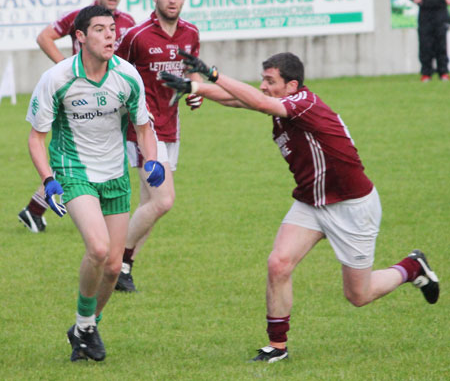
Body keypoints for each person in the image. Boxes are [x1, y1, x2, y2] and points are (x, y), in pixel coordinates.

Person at [161, 50, 440, 363]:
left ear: (292, 85)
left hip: (351, 205)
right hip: (312, 201)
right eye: (263, 79)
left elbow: (258, 101)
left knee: (358, 296)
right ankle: (277, 347)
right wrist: (193, 87)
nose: (263, 86)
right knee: (278, 263)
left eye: (270, 81)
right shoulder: (283, 105)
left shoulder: (304, 103)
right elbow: (239, 99)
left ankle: (412, 267)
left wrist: (211, 75)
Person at [26, 5, 165, 362]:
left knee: (115, 267)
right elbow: (36, 138)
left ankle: (85, 327)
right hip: (74, 173)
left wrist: (151, 161)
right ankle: (85, 325)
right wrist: (49, 180)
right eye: (100, 29)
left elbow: (144, 128)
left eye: (112, 29)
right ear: (81, 38)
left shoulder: (127, 75)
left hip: (115, 175)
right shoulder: (57, 78)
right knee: (99, 250)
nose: (110, 36)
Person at [19, 0, 135, 233]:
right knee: (75, 155)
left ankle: (36, 209)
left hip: (109, 99)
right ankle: (40, 208)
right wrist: (67, 70)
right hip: (75, 99)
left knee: (91, 157)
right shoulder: (79, 17)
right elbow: (44, 37)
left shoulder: (128, 21)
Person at [113, 0, 203, 292]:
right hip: (142, 130)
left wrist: (195, 92)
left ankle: (123, 268)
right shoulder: (137, 36)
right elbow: (114, 72)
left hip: (171, 127)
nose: (172, 0)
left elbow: (193, 73)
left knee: (149, 205)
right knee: (163, 201)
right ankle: (114, 258)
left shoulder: (190, 33)